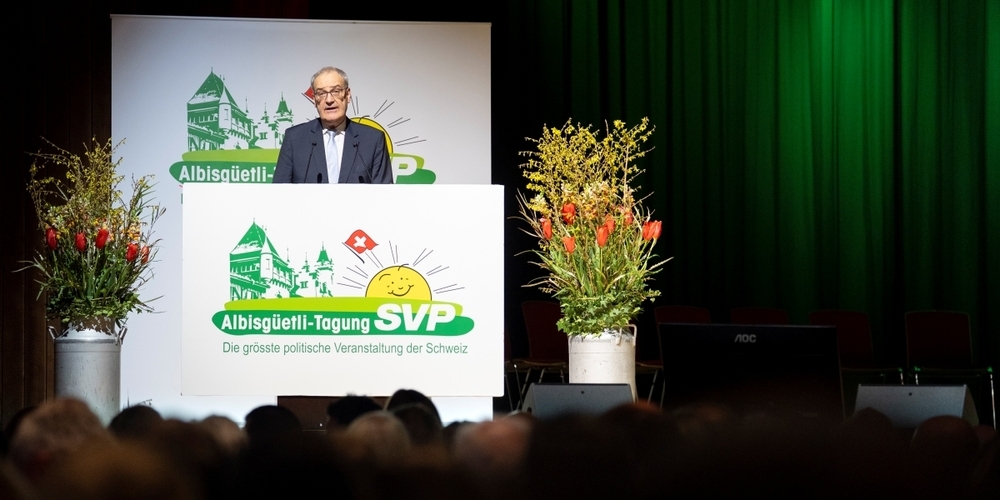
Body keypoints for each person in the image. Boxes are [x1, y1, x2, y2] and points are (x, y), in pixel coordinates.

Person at [273, 66, 393, 184]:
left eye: (336, 91)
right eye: (321, 93)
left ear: (348, 95)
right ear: (314, 100)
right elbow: (279, 193)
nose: (329, 100)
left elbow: (385, 195)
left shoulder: (373, 140)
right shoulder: (294, 138)